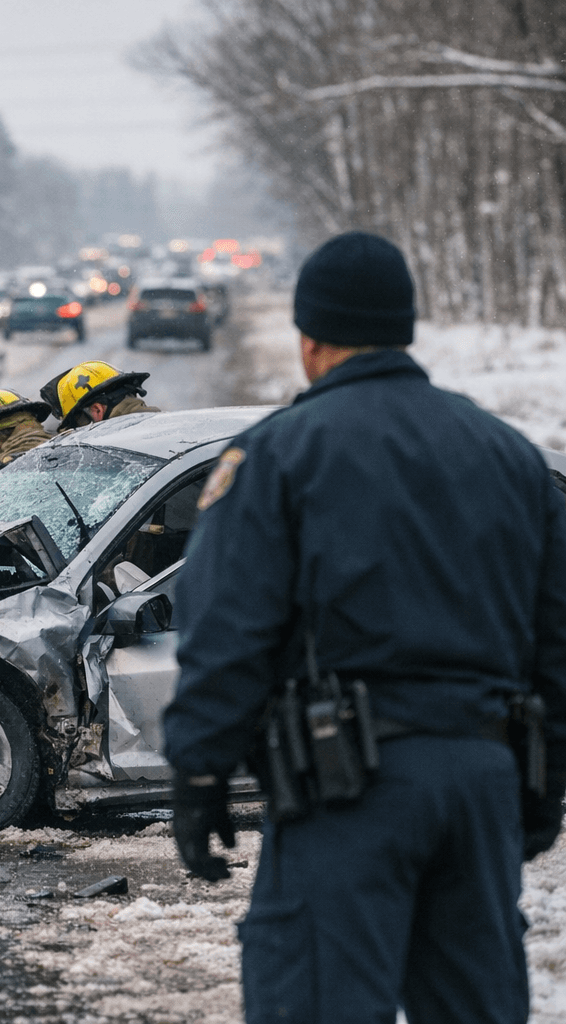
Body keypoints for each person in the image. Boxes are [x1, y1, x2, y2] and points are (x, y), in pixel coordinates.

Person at [161, 231, 566, 1023]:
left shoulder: (276, 456)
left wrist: (200, 774)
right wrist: (547, 781)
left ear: (309, 339)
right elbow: (557, 641)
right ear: (403, 328)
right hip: (482, 781)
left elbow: (227, 631)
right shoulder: (511, 457)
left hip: (346, 789)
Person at [41, 360, 158, 431]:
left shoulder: (114, 453)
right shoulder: (166, 425)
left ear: (97, 410)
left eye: (76, 425)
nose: (75, 434)